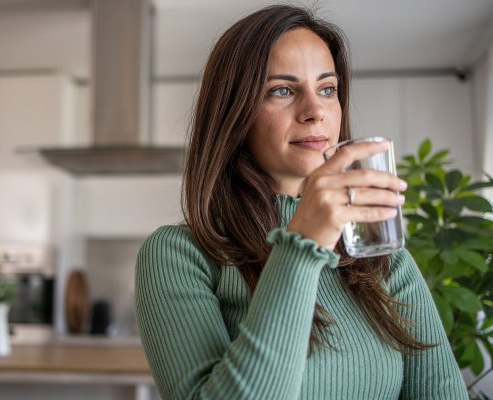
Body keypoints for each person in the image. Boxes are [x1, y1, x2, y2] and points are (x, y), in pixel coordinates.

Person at [135, 4, 468, 399]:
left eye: (327, 89)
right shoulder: (179, 255)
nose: (315, 112)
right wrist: (302, 246)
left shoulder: (382, 256)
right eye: (282, 90)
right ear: (234, 112)